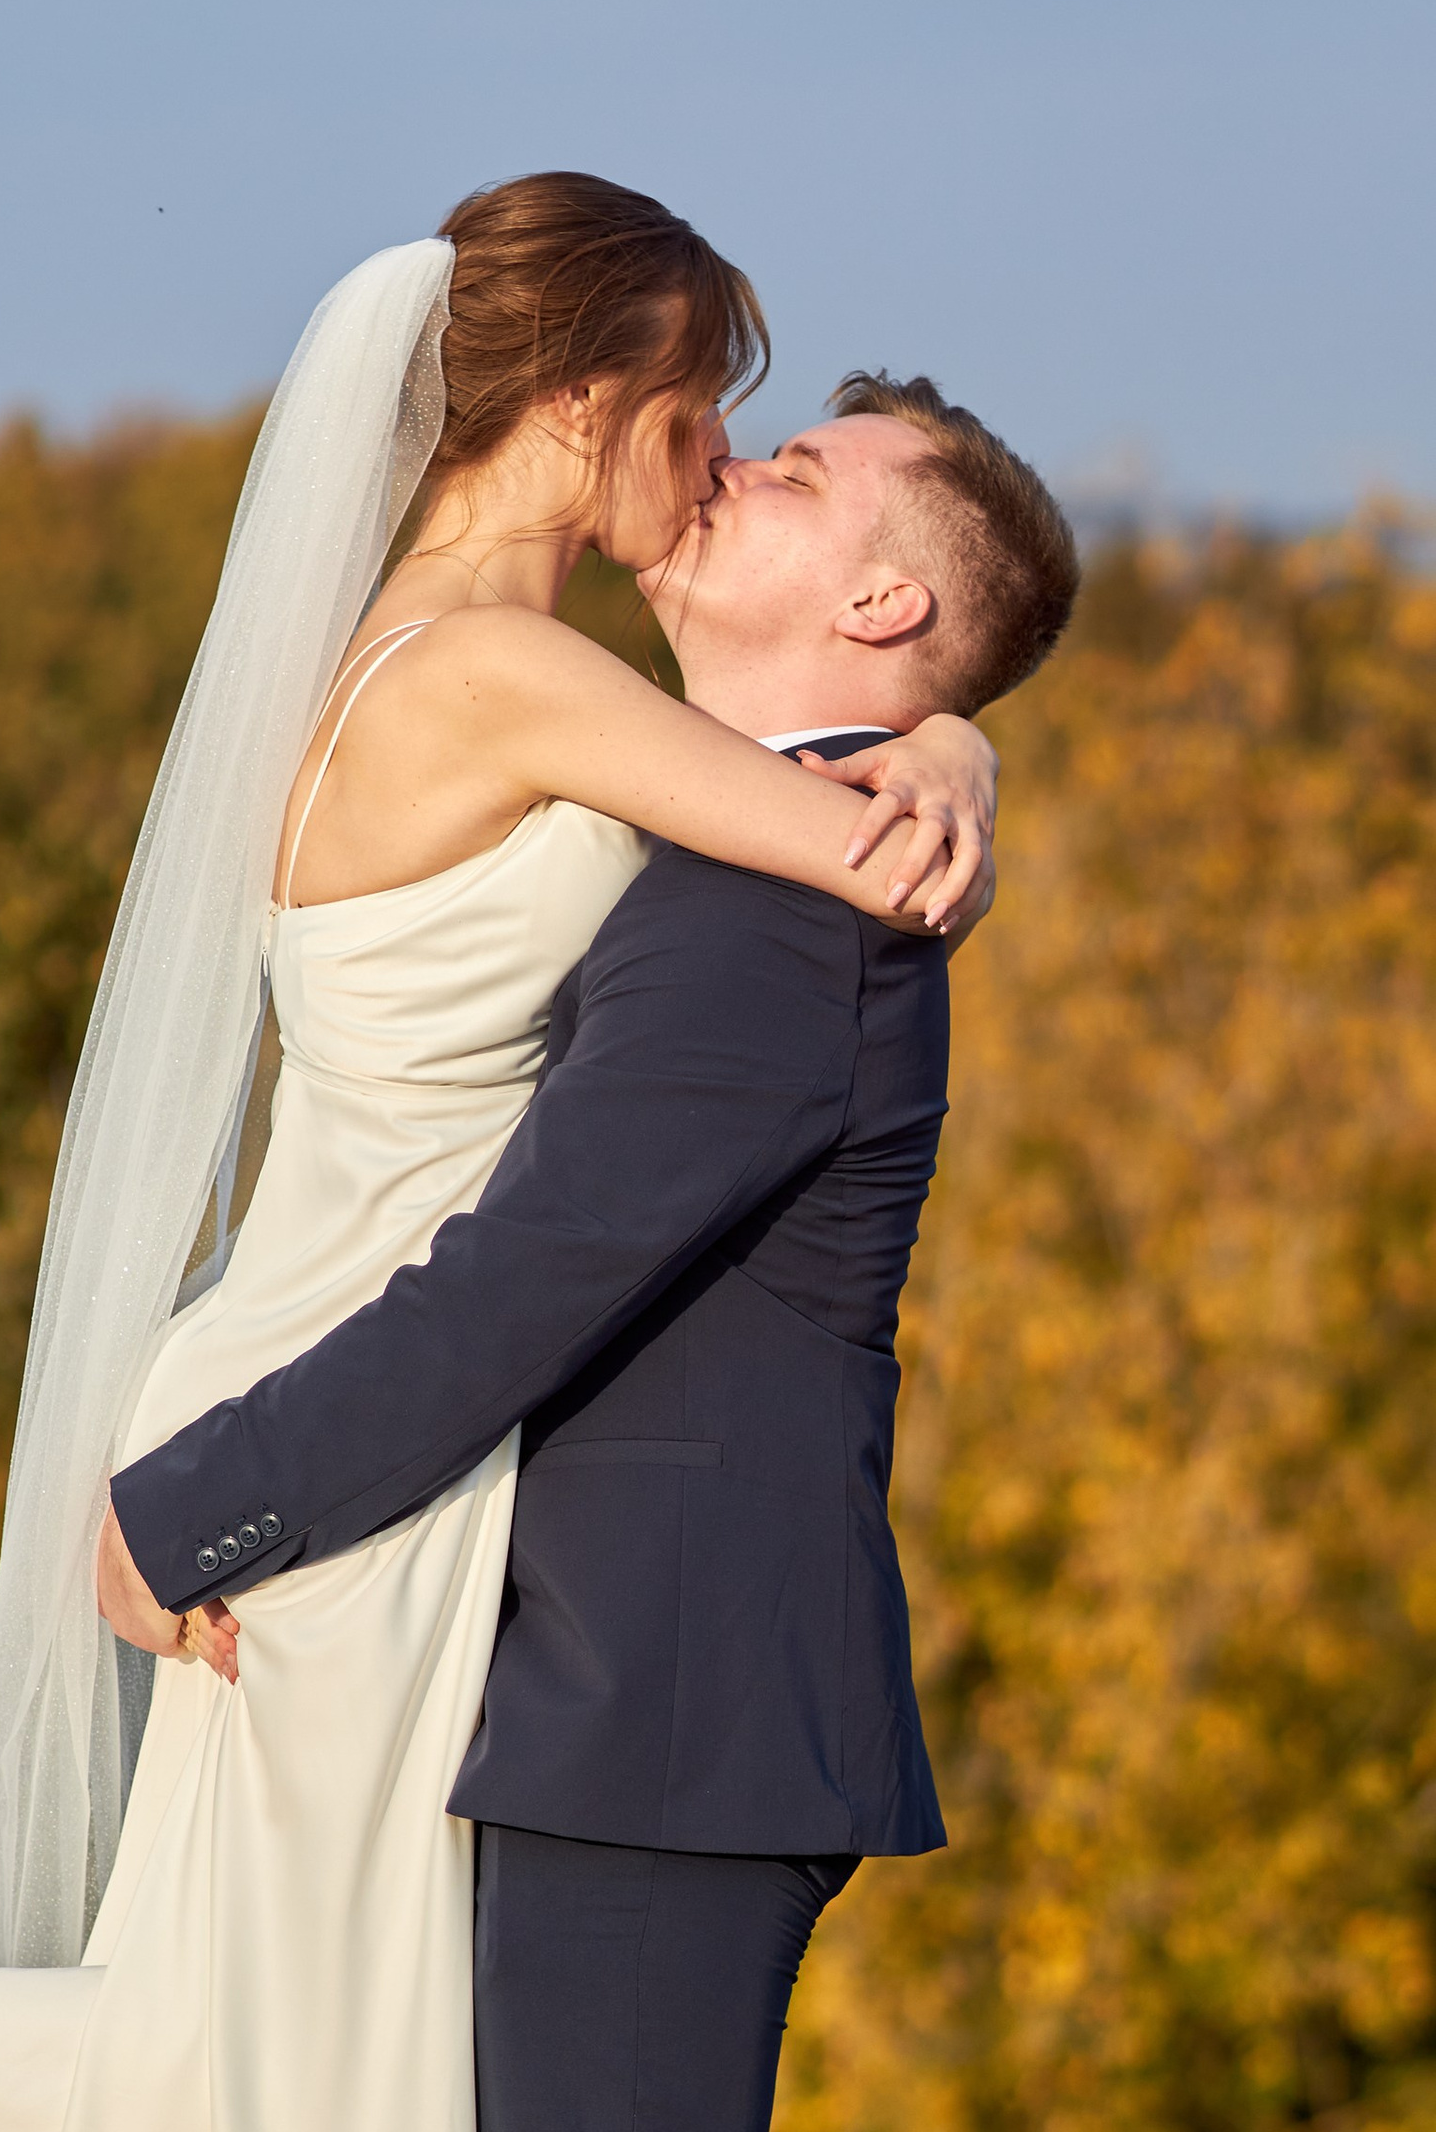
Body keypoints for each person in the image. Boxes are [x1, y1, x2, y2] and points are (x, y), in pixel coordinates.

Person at [0, 178, 1006, 2132]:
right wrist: (951, 755)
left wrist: (941, 734)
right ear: (596, 396)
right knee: (242, 2059)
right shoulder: (503, 676)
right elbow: (847, 842)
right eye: (701, 404)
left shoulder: (413, 648)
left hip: (314, 1363)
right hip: (359, 1407)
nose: (704, 466)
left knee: (241, 2043)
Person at [99, 369, 1080, 2131]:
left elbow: (533, 1274)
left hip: (665, 1726)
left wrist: (187, 1510)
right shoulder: (734, 834)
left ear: (882, 607)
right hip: (590, 1701)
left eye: (790, 471)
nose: (724, 467)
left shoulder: (796, 919)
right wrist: (958, 744)